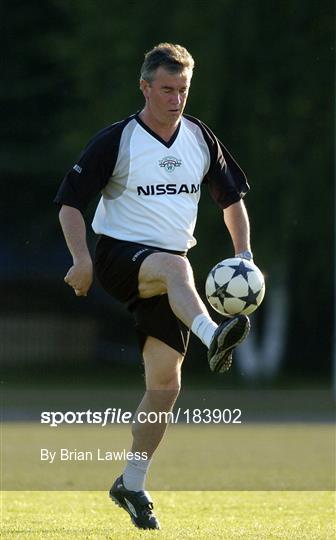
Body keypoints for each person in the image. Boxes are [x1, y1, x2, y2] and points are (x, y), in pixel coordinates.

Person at [55, 42, 253, 530]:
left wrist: (244, 255)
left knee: (165, 386)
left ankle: (132, 483)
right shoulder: (117, 139)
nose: (175, 98)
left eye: (183, 89)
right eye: (166, 89)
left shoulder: (199, 138)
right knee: (174, 268)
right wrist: (81, 260)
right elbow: (69, 203)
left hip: (170, 267)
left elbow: (230, 199)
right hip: (119, 257)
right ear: (145, 87)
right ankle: (214, 336)